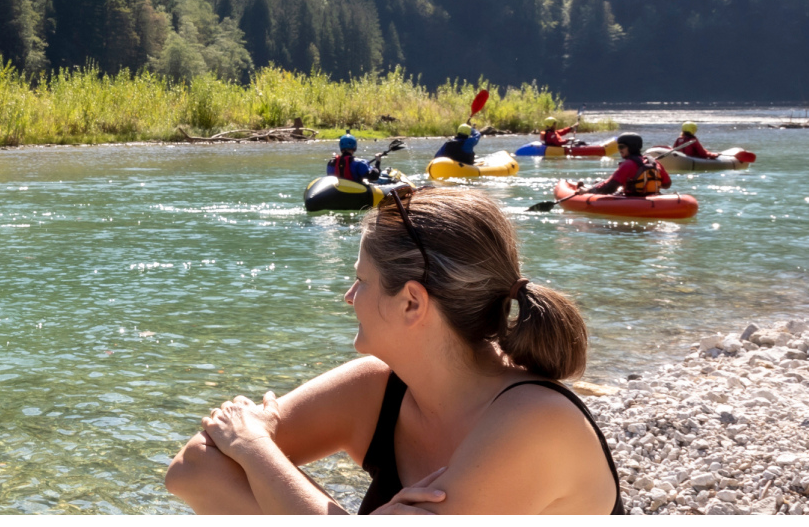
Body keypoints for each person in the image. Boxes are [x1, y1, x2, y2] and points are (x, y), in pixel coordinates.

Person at [164, 186, 623, 514]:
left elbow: (234, 456)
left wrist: (254, 447)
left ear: (411, 302)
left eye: (361, 280)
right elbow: (192, 470)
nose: (348, 296)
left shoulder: (534, 422)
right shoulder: (375, 389)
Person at [585, 133, 669, 197]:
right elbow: (667, 184)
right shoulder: (654, 162)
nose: (619, 150)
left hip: (633, 200)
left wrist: (589, 191)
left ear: (631, 147)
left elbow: (610, 188)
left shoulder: (627, 164)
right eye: (618, 147)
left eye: (621, 147)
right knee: (599, 181)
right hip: (654, 198)